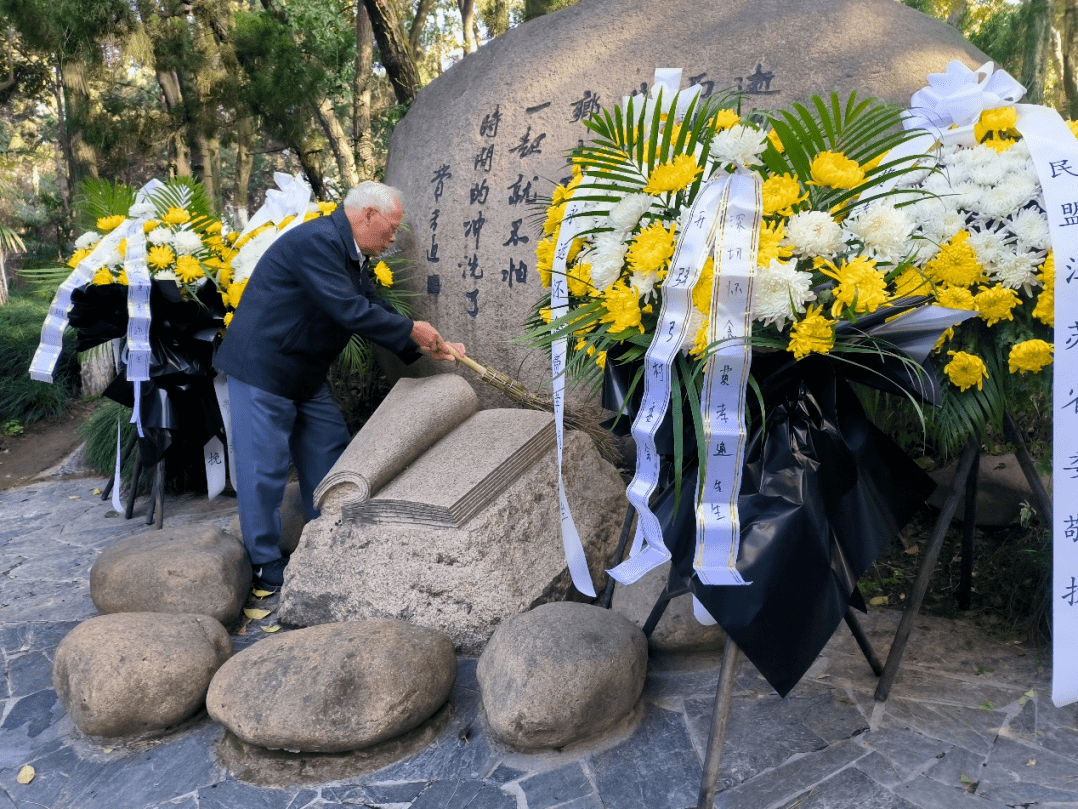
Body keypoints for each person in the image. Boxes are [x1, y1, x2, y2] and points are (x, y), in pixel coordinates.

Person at [214, 181, 464, 590]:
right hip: (264, 368)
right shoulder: (317, 242)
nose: (392, 237)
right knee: (265, 469)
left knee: (329, 452)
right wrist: (411, 329)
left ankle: (330, 539)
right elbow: (348, 310)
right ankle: (264, 562)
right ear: (367, 214)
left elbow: (371, 304)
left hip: (306, 372)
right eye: (391, 227)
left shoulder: (352, 251)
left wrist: (423, 344)